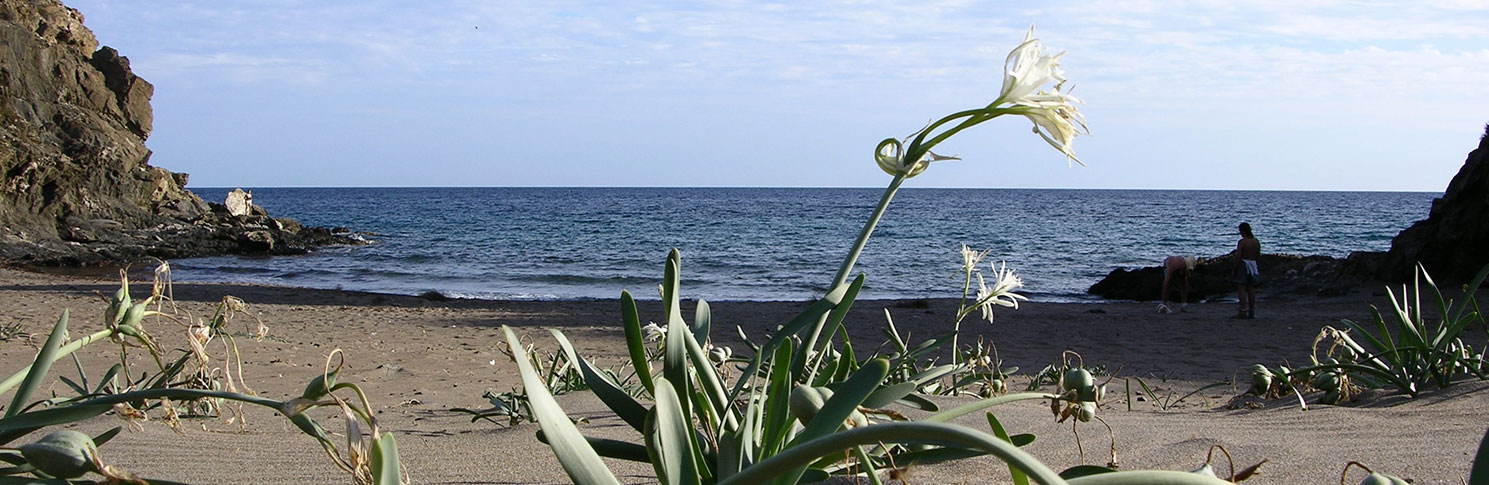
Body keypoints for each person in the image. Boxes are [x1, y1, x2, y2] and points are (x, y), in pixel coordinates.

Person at [1233, 222, 1261, 319]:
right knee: (1251, 288)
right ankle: (1251, 310)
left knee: (1241, 288)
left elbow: (1238, 256)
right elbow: (1258, 255)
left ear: (1242, 231)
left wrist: (1235, 268)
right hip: (1253, 264)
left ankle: (1243, 310)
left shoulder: (1242, 242)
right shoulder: (1256, 241)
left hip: (1243, 264)